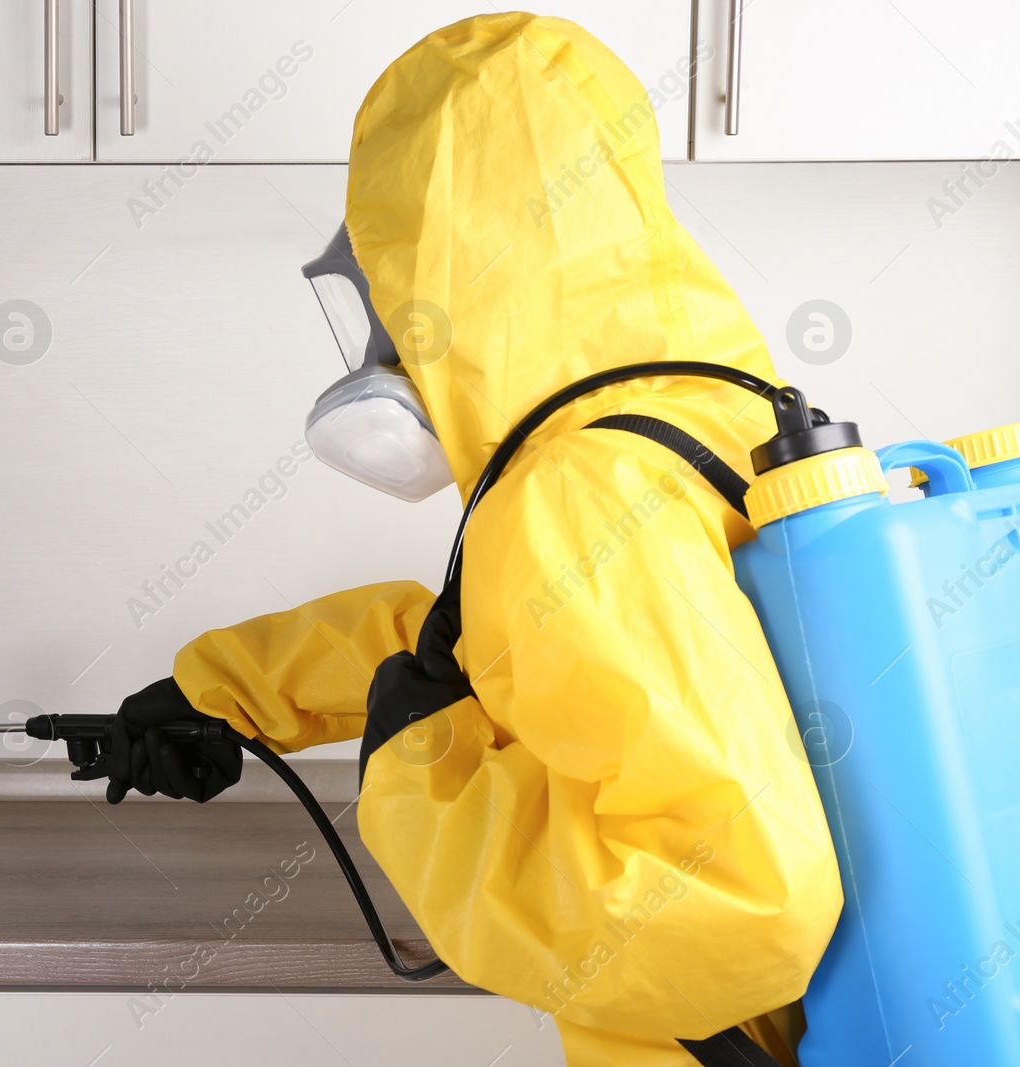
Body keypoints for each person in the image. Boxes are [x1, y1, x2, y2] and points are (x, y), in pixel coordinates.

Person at [102, 13, 842, 1066]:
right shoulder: (694, 422)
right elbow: (504, 659)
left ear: (450, 284)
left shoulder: (570, 497)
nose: (379, 343)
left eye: (388, 293)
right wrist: (229, 691)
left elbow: (743, 899)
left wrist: (419, 783)